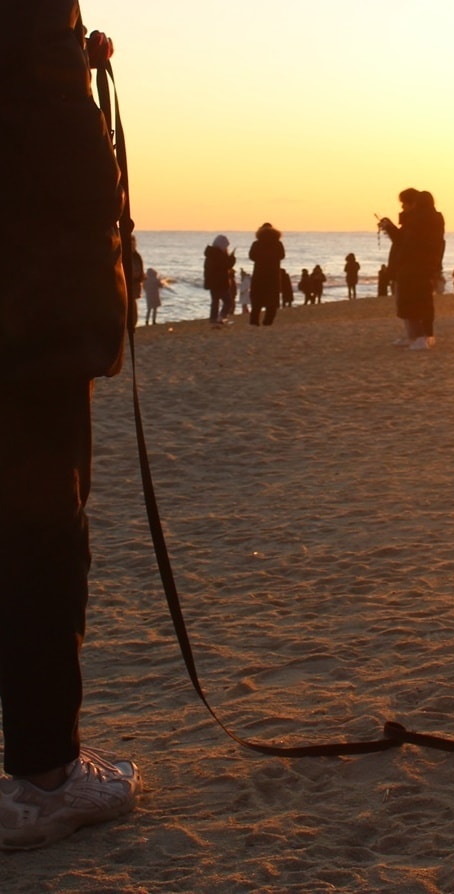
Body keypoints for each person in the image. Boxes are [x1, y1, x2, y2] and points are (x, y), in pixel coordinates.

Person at [0, 3, 143, 850]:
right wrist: (77, 79)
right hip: (31, 336)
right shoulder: (34, 49)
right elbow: (84, 190)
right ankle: (46, 774)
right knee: (42, 545)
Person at [379, 187, 443, 348]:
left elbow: (406, 242)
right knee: (409, 301)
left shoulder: (420, 220)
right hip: (415, 266)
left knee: (417, 301)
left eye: (405, 204)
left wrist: (390, 228)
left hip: (416, 267)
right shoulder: (424, 220)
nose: (403, 207)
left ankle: (422, 337)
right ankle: (414, 336)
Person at [248, 222, 285, 325]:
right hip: (273, 274)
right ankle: (268, 322)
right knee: (272, 301)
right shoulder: (278, 243)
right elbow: (282, 256)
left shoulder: (257, 243)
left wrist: (261, 259)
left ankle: (254, 322)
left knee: (256, 300)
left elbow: (252, 256)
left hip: (259, 273)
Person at [203, 234, 234, 327]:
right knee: (227, 301)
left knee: (216, 301)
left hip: (214, 282)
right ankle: (220, 317)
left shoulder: (211, 253)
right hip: (219, 282)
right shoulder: (218, 254)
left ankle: (214, 318)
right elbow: (225, 265)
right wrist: (232, 260)